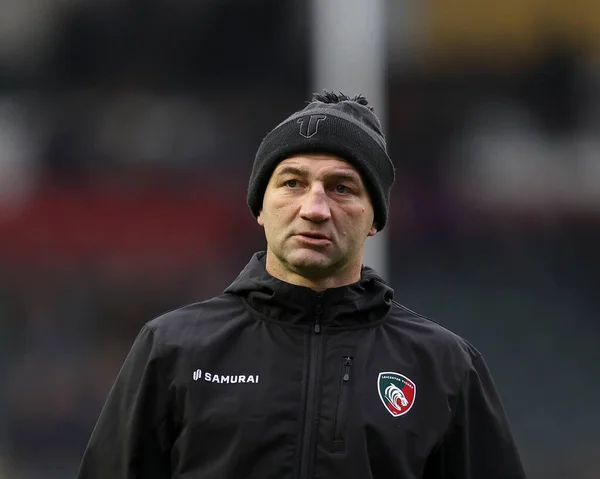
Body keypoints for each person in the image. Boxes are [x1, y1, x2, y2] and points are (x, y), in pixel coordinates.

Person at [77, 91, 527, 478]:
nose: (315, 208)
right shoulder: (172, 348)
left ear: (375, 218)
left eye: (342, 188)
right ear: (260, 205)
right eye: (292, 182)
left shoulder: (443, 366)